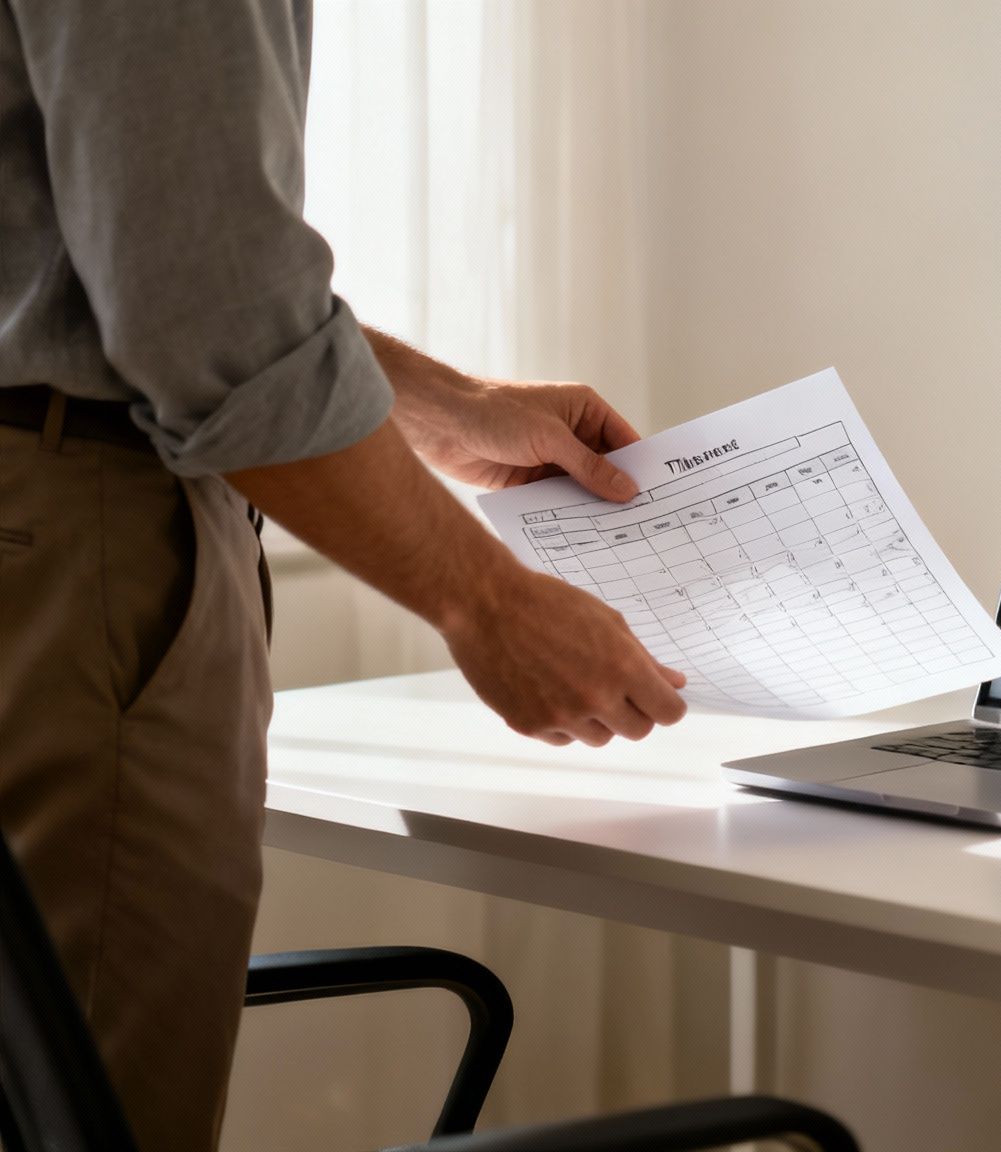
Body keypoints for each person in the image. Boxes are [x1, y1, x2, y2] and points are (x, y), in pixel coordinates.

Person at [0, 4, 687, 1149]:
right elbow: (199, 303)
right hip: (80, 546)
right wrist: (489, 599)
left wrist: (445, 406)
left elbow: (104, 251)